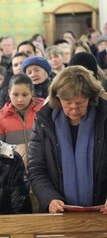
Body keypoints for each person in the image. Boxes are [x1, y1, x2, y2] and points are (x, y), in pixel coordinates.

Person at [28, 66, 107, 214]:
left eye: (80, 104)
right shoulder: (44, 121)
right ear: (57, 98)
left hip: (101, 212)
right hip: (59, 214)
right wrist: (50, 198)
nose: (73, 109)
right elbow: (36, 169)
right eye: (67, 103)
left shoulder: (104, 117)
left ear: (90, 98)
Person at [0, 74, 44, 167]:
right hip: (14, 171)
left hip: (42, 168)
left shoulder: (43, 111)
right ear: (9, 93)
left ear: (32, 93)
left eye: (25, 95)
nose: (20, 99)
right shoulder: (1, 119)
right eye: (15, 94)